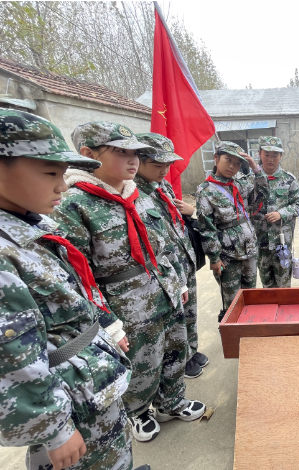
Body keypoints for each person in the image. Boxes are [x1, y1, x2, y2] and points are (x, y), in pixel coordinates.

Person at [50, 122, 206, 444]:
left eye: (135, 152)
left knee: (174, 352)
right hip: (126, 307)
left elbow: (162, 245)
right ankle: (139, 413)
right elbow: (77, 274)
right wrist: (107, 323)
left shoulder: (138, 195)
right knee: (140, 366)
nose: (133, 160)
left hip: (164, 292)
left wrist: (177, 283)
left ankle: (172, 401)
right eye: (121, 151)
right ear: (88, 155)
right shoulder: (74, 205)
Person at [0, 109, 134, 469]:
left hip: (88, 382)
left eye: (62, 173)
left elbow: (74, 288)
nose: (62, 185)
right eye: (49, 173)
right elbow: (11, 352)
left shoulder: (30, 229)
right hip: (65, 404)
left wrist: (106, 328)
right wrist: (54, 426)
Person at [134, 133, 208, 379]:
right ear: (139, 160)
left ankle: (192, 349)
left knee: (191, 310)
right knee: (176, 316)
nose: (164, 170)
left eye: (168, 164)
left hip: (182, 259)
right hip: (166, 267)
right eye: (157, 165)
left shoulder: (161, 186)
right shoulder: (134, 192)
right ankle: (182, 358)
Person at [196, 141, 267, 318]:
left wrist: (255, 168)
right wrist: (214, 258)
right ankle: (235, 337)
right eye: (228, 160)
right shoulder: (206, 190)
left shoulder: (240, 184)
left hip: (249, 250)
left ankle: (250, 332)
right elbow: (207, 227)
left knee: (251, 295)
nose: (232, 166)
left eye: (237, 163)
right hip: (228, 256)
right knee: (233, 301)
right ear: (216, 158)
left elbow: (264, 193)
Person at [250, 136, 299, 288]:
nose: (270, 159)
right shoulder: (250, 180)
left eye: (275, 155)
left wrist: (282, 214)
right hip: (260, 242)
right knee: (267, 284)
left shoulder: (289, 180)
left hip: (282, 244)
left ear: (281, 156)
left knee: (283, 285)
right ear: (259, 154)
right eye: (267, 155)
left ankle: (285, 311)